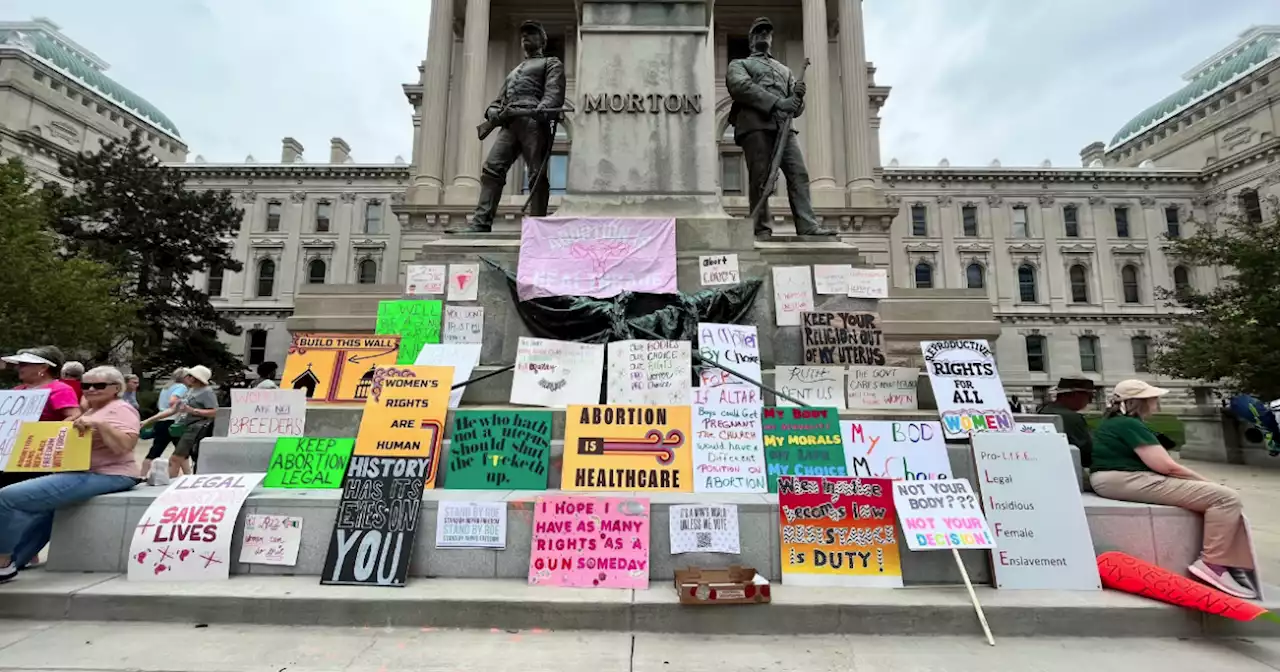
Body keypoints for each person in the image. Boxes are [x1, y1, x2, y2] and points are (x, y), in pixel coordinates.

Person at [1090, 379, 1258, 599]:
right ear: (1140, 402)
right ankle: (1214, 564)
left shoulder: (1115, 422)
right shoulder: (1128, 424)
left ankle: (1230, 563)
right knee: (1225, 498)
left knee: (1220, 497)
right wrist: (1207, 483)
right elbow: (1167, 466)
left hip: (1115, 479)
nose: (1156, 402)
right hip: (1125, 479)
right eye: (1153, 398)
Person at [0, 366, 139, 582]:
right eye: (86, 385)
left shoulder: (120, 409)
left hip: (108, 474)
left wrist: (100, 424)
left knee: (8, 498)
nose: (91, 389)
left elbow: (125, 446)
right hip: (81, 470)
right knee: (43, 511)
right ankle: (16, 560)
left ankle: (3, 561)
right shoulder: (92, 409)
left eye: (99, 385)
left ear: (116, 388)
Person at [447, 20, 564, 234]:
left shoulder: (551, 63)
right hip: (509, 122)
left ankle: (538, 225)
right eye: (523, 35)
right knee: (491, 170)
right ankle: (481, 223)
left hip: (533, 121)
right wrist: (493, 112)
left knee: (536, 174)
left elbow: (554, 92)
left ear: (542, 40)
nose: (526, 37)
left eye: (531, 34)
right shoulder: (514, 72)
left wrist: (543, 108)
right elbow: (498, 101)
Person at [725, 17, 834, 239]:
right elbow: (741, 87)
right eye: (758, 32)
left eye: (767, 32)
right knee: (761, 177)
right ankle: (761, 228)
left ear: (771, 38)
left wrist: (797, 99)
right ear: (751, 40)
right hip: (756, 126)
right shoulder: (740, 65)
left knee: (798, 174)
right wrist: (778, 103)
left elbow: (796, 108)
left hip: (785, 129)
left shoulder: (785, 71)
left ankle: (807, 225)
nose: (763, 35)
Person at [142, 366, 217, 478]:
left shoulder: (206, 392)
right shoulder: (191, 390)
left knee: (177, 458)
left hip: (197, 428)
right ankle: (187, 480)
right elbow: (173, 409)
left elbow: (214, 411)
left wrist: (193, 411)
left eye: (190, 375)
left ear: (196, 378)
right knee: (183, 458)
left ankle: (176, 483)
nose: (188, 377)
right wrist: (148, 421)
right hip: (186, 427)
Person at [1037, 377, 1096, 468]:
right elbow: (1086, 452)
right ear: (1076, 395)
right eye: (1090, 397)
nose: (1089, 402)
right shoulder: (1072, 418)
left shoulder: (1043, 410)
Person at [140, 368, 187, 479]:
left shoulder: (167, 387)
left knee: (155, 450)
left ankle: (142, 474)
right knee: (182, 451)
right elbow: (173, 401)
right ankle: (188, 475)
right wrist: (179, 406)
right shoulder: (181, 387)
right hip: (173, 421)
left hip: (161, 420)